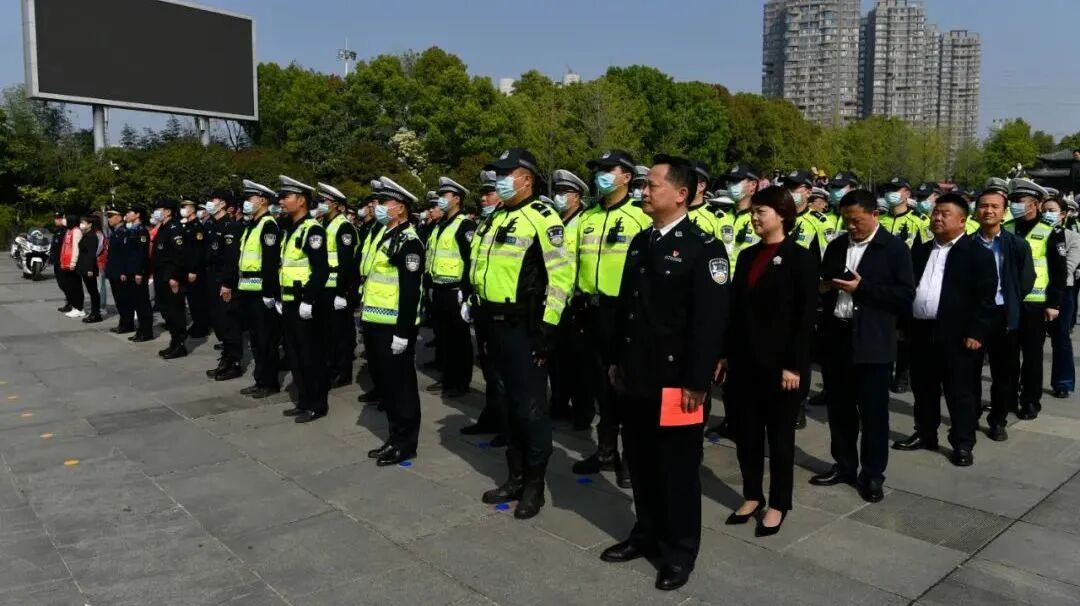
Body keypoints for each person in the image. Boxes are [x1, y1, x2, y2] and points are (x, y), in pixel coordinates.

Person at [598, 155, 729, 591]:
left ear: (682, 194)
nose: (644, 191)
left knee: (676, 469)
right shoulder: (642, 241)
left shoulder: (703, 248)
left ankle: (679, 551)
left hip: (677, 383)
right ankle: (646, 533)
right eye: (644, 185)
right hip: (635, 375)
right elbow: (628, 309)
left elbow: (709, 322)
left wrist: (697, 381)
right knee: (640, 462)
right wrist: (616, 360)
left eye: (652, 185)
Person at [470, 147, 573, 519]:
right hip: (492, 324)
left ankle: (534, 485)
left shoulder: (542, 217)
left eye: (506, 173)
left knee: (530, 410)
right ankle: (514, 477)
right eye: (497, 173)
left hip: (524, 329)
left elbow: (561, 277)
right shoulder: (496, 216)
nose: (499, 180)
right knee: (508, 406)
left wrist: (548, 329)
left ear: (526, 179)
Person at [723, 186, 818, 538]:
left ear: (782, 214)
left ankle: (778, 503)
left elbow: (804, 318)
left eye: (761, 212)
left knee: (779, 439)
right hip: (744, 362)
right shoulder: (748, 255)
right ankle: (752, 495)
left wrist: (794, 365)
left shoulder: (800, 258)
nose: (754, 218)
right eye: (753, 212)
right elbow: (735, 309)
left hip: (781, 367)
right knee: (746, 434)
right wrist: (724, 353)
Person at [811, 190, 914, 503]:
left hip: (873, 341)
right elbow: (824, 280)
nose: (851, 226)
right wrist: (824, 287)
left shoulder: (893, 249)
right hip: (837, 338)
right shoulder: (837, 245)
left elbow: (904, 295)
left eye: (856, 220)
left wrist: (862, 288)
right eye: (846, 220)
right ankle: (844, 465)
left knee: (873, 415)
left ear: (874, 215)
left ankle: (872, 475)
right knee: (840, 411)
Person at [893, 193, 996, 467]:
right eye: (935, 213)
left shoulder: (977, 254)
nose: (937, 217)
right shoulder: (921, 250)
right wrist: (903, 324)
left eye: (944, 214)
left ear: (962, 221)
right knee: (923, 387)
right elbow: (907, 289)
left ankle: (962, 443)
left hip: (958, 334)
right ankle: (925, 432)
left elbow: (986, 299)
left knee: (959, 391)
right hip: (921, 330)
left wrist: (977, 332)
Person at [570, 149, 651, 488]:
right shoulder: (587, 217)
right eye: (598, 170)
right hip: (591, 310)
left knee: (626, 386)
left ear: (627, 177)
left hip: (624, 312)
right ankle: (605, 451)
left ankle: (632, 458)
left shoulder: (640, 217)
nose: (600, 175)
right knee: (600, 385)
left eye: (608, 169)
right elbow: (573, 262)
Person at [361, 177, 425, 465]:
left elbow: (410, 292)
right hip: (375, 321)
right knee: (388, 386)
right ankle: (394, 437)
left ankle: (406, 443)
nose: (379, 207)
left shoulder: (408, 242)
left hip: (394, 327)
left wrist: (403, 331)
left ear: (400, 208)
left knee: (402, 388)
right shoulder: (385, 236)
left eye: (385, 202)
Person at [973, 187, 1035, 442]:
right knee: (969, 371)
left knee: (1003, 374)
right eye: (983, 206)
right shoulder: (967, 243)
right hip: (974, 316)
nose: (988, 211)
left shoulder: (1017, 245)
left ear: (1004, 212)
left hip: (1003, 315)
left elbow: (1026, 279)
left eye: (994, 206)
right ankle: (970, 414)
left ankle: (998, 420)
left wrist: (1011, 301)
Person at [1003, 178, 1067, 419]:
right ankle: (1007, 398)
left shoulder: (1051, 230)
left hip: (1036, 304)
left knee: (1032, 356)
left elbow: (1059, 270)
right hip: (1008, 302)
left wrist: (1054, 303)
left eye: (1020, 201)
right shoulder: (1006, 227)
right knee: (1008, 354)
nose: (1015, 205)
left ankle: (1030, 401)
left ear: (1035, 203)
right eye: (1013, 200)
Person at [274, 176, 330, 423]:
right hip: (288, 301)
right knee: (295, 355)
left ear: (301, 200)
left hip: (304, 304)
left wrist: (309, 299)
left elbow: (321, 269)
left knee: (310, 355)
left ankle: (317, 404)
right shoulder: (290, 229)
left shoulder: (312, 230)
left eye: (286, 197)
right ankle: (304, 400)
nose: (281, 202)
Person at [460, 170, 507, 442]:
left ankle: (506, 425)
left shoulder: (508, 221)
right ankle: (492, 415)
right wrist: (469, 297)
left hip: (502, 307)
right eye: (483, 193)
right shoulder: (485, 223)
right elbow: (476, 265)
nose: (483, 198)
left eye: (489, 192)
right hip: (482, 304)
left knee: (502, 372)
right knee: (490, 369)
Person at [424, 176, 476, 398]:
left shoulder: (465, 225)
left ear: (456, 199)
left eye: (444, 195)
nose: (440, 200)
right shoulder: (440, 225)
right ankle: (447, 377)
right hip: (439, 289)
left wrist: (466, 292)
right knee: (443, 338)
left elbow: (471, 260)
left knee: (459, 339)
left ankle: (461, 382)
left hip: (456, 291)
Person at [547, 169, 591, 430]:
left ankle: (582, 411)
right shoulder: (553, 221)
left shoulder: (584, 222)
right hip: (553, 299)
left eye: (565, 192)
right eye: (558, 192)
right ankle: (559, 403)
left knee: (579, 362)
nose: (559, 197)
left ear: (577, 196)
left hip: (575, 301)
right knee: (556, 358)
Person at [237, 180, 283, 399]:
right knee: (255, 339)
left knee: (266, 340)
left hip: (261, 292)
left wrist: (269, 293)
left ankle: (269, 382)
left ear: (263, 200)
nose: (246, 202)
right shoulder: (252, 225)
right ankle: (260, 379)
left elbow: (270, 262)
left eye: (250, 198)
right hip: (248, 290)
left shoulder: (268, 225)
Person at [880, 176, 923, 396]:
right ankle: (884, 371)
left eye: (896, 189)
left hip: (907, 284)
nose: (891, 193)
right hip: (882, 284)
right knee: (884, 330)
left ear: (906, 193)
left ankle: (903, 374)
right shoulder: (880, 219)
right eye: (889, 189)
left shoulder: (920, 221)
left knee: (904, 334)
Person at [317, 182, 361, 388]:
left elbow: (347, 263)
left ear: (336, 204)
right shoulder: (324, 224)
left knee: (340, 333)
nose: (321, 204)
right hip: (325, 285)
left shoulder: (344, 227)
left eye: (325, 201)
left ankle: (343, 372)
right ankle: (330, 366)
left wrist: (342, 292)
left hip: (337, 286)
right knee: (327, 332)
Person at [204, 192, 246, 381]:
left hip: (224, 282)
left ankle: (234, 363)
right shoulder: (212, 225)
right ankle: (226, 359)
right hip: (212, 279)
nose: (209, 203)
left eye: (213, 200)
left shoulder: (231, 226)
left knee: (229, 323)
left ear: (222, 204)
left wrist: (227, 283)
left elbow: (231, 259)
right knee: (219, 322)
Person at [1042, 195, 1080, 399]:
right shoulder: (1037, 232)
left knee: (1061, 338)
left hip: (1063, 292)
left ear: (1063, 214)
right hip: (1036, 292)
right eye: (1044, 210)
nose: (1046, 214)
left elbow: (1068, 267)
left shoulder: (1073, 237)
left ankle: (1062, 382)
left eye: (1051, 210)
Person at [150, 199, 191, 359]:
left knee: (175, 312)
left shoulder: (175, 228)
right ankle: (174, 343)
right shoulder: (163, 228)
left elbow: (180, 255)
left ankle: (179, 345)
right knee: (166, 311)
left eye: (159, 209)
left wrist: (175, 277)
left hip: (171, 278)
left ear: (167, 211)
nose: (156, 212)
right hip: (161, 276)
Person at [179, 199, 211, 338]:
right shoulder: (187, 225)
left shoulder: (197, 227)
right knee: (192, 300)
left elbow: (198, 251)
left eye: (185, 207)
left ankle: (201, 327)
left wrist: (193, 270)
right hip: (187, 269)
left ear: (192, 210)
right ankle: (197, 324)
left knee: (198, 300)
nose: (183, 210)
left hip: (195, 271)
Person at [122, 206, 154, 342]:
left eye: (130, 212)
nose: (127, 214)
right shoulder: (131, 230)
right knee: (136, 302)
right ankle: (141, 330)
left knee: (142, 303)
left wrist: (139, 272)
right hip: (131, 270)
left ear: (137, 214)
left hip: (138, 272)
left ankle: (146, 331)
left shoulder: (141, 231)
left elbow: (142, 253)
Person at [104, 208, 131, 333]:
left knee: (123, 299)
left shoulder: (123, 232)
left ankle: (127, 324)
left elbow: (125, 255)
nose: (109, 219)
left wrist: (123, 271)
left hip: (120, 272)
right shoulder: (115, 232)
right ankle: (123, 322)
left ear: (120, 217)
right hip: (114, 271)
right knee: (118, 299)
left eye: (111, 216)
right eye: (108, 216)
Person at [74, 216, 103, 324]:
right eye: (81, 223)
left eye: (84, 223)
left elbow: (91, 254)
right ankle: (94, 312)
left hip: (89, 267)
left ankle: (96, 314)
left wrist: (90, 269)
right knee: (91, 291)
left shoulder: (92, 236)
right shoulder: (85, 235)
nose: (82, 225)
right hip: (84, 266)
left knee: (93, 291)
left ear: (90, 224)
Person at [58, 213, 85, 318]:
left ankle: (79, 308)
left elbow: (76, 248)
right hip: (66, 262)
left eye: (66, 219)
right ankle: (75, 306)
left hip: (73, 263)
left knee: (76, 286)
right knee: (70, 285)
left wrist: (73, 262)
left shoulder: (76, 231)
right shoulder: (69, 231)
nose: (64, 221)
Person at [51, 212, 74, 312]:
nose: (56, 220)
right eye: (56, 218)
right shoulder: (58, 230)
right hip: (56, 260)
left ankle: (71, 302)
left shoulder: (65, 231)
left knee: (65, 283)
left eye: (59, 218)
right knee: (61, 283)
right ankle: (69, 301)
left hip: (62, 261)